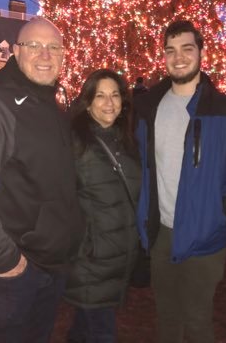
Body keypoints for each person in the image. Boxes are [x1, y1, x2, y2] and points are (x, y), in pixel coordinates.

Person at [0, 17, 84, 343]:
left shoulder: (52, 106)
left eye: (53, 47)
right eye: (34, 46)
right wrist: (4, 258)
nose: (45, 55)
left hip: (50, 265)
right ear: (16, 51)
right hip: (11, 272)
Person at [134, 20, 226, 343]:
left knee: (198, 321)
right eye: (170, 50)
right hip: (161, 235)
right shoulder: (147, 108)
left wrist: (219, 215)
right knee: (167, 318)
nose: (179, 57)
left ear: (201, 52)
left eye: (187, 48)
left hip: (204, 237)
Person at [64, 69, 141, 343]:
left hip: (119, 260)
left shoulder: (127, 140)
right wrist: (83, 247)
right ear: (87, 102)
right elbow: (61, 201)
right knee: (102, 333)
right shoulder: (75, 142)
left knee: (85, 328)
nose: (109, 103)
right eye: (100, 96)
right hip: (91, 262)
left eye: (115, 95)